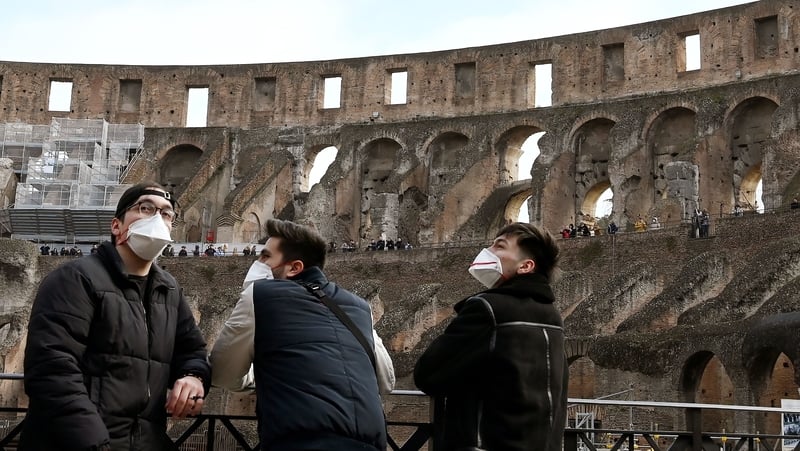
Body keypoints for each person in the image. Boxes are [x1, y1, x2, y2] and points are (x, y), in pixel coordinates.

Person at [20, 182, 211, 451]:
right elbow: (52, 370)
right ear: (116, 226)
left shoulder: (169, 290)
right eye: (146, 208)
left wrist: (194, 376)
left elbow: (192, 349)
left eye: (167, 214)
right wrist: (94, 443)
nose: (158, 218)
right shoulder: (74, 279)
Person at [210, 219, 389, 450]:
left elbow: (223, 374)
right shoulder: (359, 307)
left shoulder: (261, 295)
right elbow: (386, 380)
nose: (257, 263)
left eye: (265, 257)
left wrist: (261, 375)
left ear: (294, 267)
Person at [414, 222, 567, 451]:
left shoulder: (487, 308)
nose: (488, 251)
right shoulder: (553, 316)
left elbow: (428, 374)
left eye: (500, 246)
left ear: (525, 266)